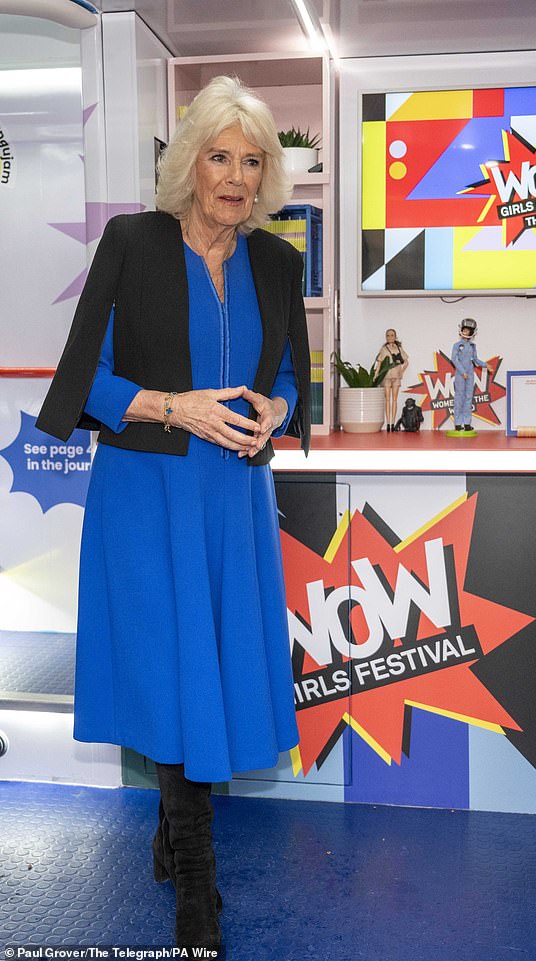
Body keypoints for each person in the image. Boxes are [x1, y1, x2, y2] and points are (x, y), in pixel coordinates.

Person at [35, 75, 311, 950]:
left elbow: (291, 374)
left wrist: (276, 408)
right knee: (168, 663)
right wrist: (173, 403)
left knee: (210, 668)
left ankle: (169, 822)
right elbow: (84, 379)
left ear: (265, 177)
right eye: (219, 156)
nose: (234, 176)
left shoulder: (277, 260)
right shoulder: (132, 242)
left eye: (251, 161)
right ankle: (197, 875)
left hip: (232, 494)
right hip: (146, 492)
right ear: (190, 163)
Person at [450, 318, 491, 432]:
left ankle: (467, 422)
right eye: (465, 330)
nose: (466, 332)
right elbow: (454, 359)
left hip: (470, 374)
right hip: (460, 374)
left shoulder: (473, 346)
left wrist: (485, 365)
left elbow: (476, 360)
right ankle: (458, 423)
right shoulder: (457, 345)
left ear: (472, 332)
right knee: (459, 397)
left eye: (468, 331)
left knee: (469, 398)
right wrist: (462, 371)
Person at [373, 328, 409, 431]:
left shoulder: (398, 348)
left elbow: (406, 362)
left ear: (395, 336)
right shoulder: (384, 349)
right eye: (388, 335)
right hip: (387, 376)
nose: (390, 337)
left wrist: (402, 371)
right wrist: (376, 375)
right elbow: (379, 364)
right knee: (388, 399)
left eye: (392, 335)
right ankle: (388, 423)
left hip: (396, 376)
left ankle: (393, 423)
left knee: (394, 400)